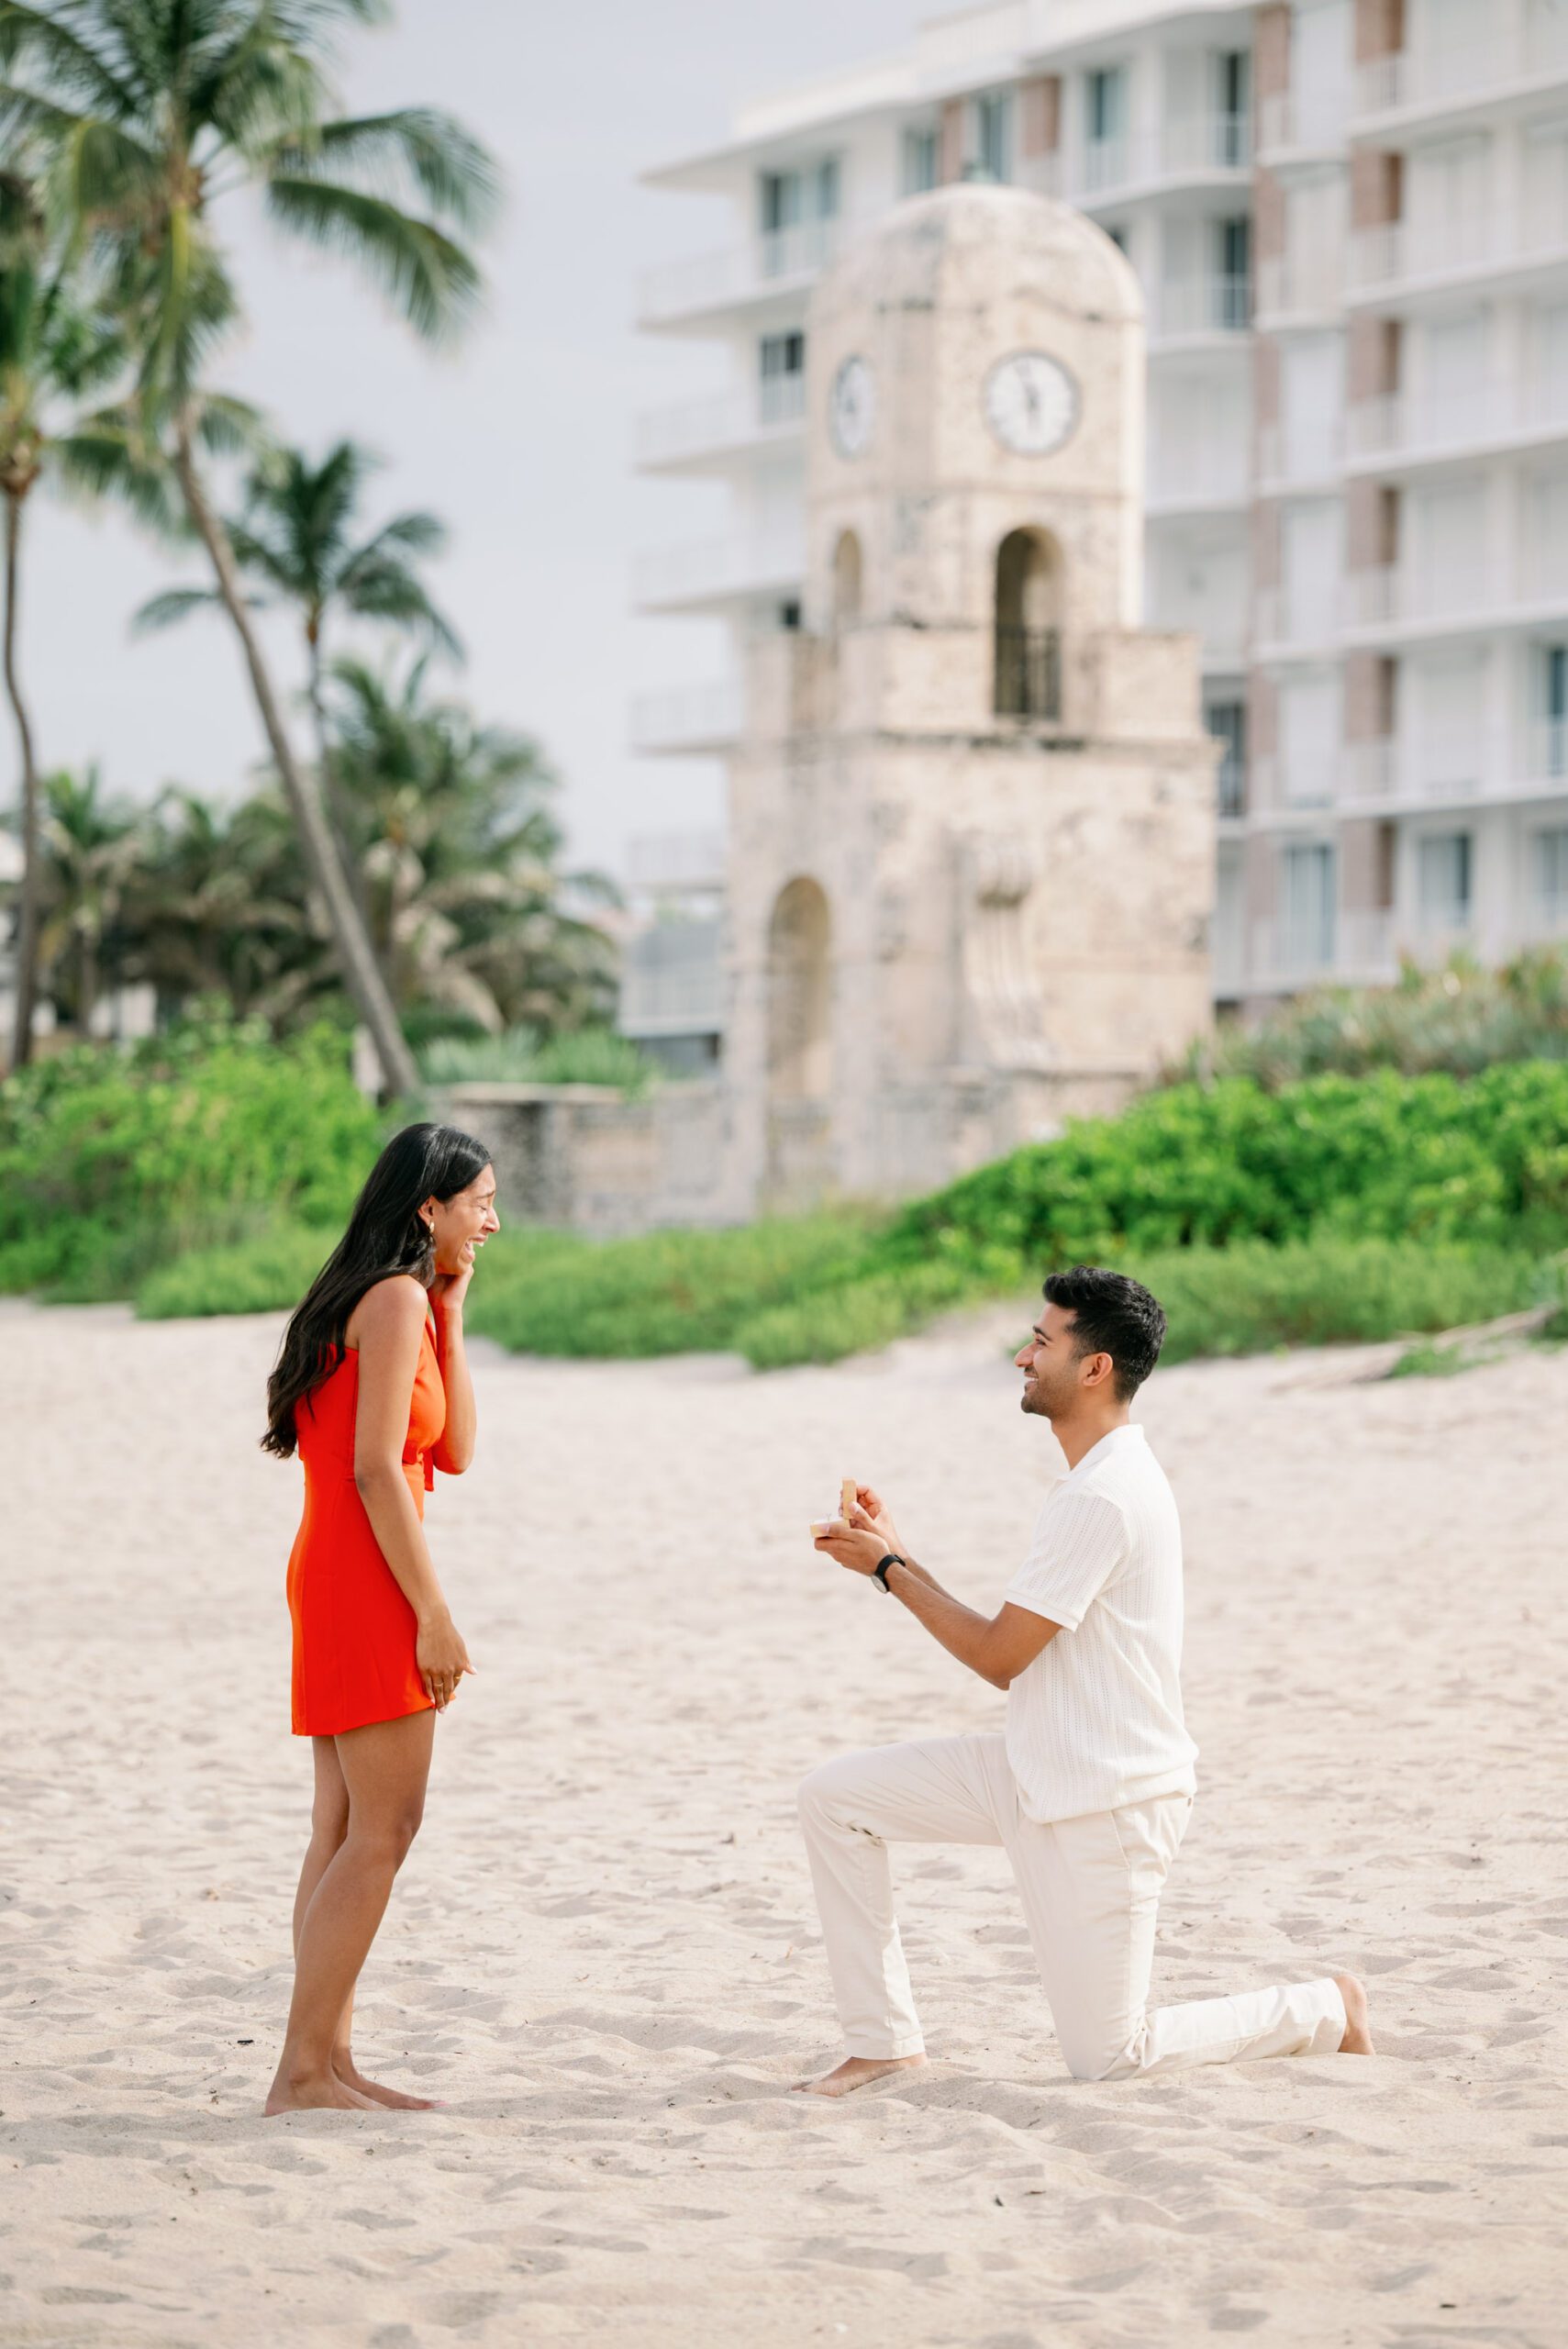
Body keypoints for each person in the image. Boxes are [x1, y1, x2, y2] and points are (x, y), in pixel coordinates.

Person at [797, 1264, 1372, 2098]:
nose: (1023, 1357)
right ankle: (883, 2044)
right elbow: (1014, 1632)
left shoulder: (1102, 1496)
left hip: (1107, 1800)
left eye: (1041, 1341)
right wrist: (896, 1551)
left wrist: (886, 1569)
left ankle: (1326, 2008)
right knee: (834, 1799)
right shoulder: (1091, 1483)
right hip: (1033, 1767)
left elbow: (999, 1658)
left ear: (1094, 1367)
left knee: (1108, 2058)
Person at [260, 1123, 499, 2114]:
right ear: (426, 1209)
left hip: (335, 1565)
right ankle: (303, 2071)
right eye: (478, 1200)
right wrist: (434, 1613)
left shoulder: (401, 1300)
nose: (493, 1218)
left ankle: (328, 2060)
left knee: (344, 1826)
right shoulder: (389, 1298)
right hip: (369, 1575)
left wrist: (453, 1309)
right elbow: (373, 1469)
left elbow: (454, 1455)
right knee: (384, 1827)